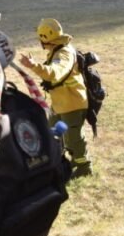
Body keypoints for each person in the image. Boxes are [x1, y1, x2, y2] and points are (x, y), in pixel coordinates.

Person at [19, 18, 92, 178]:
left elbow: (55, 73)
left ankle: (83, 166)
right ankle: (67, 161)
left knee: (73, 137)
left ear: (45, 38)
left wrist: (34, 66)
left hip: (72, 103)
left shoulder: (64, 53)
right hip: (60, 103)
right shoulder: (57, 49)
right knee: (54, 134)